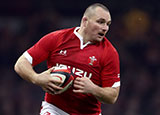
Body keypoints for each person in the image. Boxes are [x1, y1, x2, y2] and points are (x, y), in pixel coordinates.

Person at [14, 3, 120, 115]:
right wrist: (36, 78)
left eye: (108, 24)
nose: (105, 28)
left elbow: (112, 96)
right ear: (85, 21)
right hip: (54, 109)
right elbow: (21, 63)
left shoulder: (109, 53)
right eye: (100, 22)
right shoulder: (57, 38)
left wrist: (93, 89)